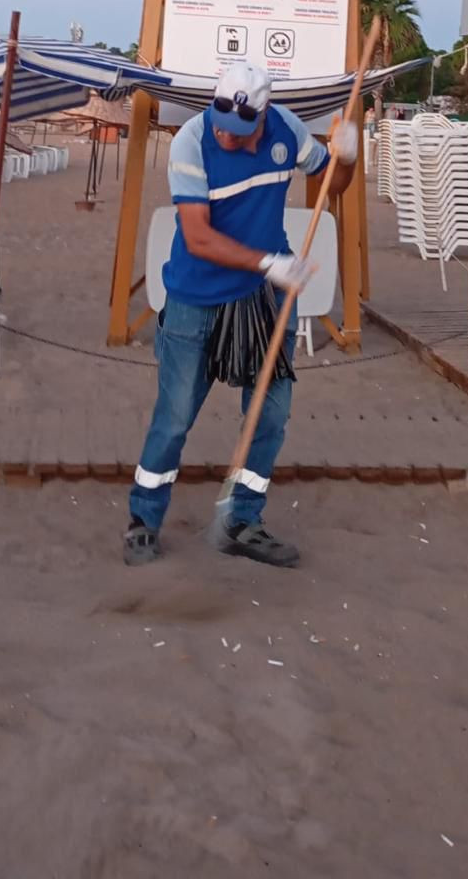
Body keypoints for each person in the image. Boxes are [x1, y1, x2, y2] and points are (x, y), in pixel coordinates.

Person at [124, 61, 357, 570]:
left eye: (238, 130)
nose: (226, 137)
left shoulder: (286, 129)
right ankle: (144, 519)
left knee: (268, 415)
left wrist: (348, 156)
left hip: (263, 299)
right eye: (222, 125)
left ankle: (241, 521)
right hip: (196, 297)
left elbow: (331, 185)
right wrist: (270, 263)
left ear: (263, 115)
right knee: (176, 415)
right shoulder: (191, 142)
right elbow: (199, 238)